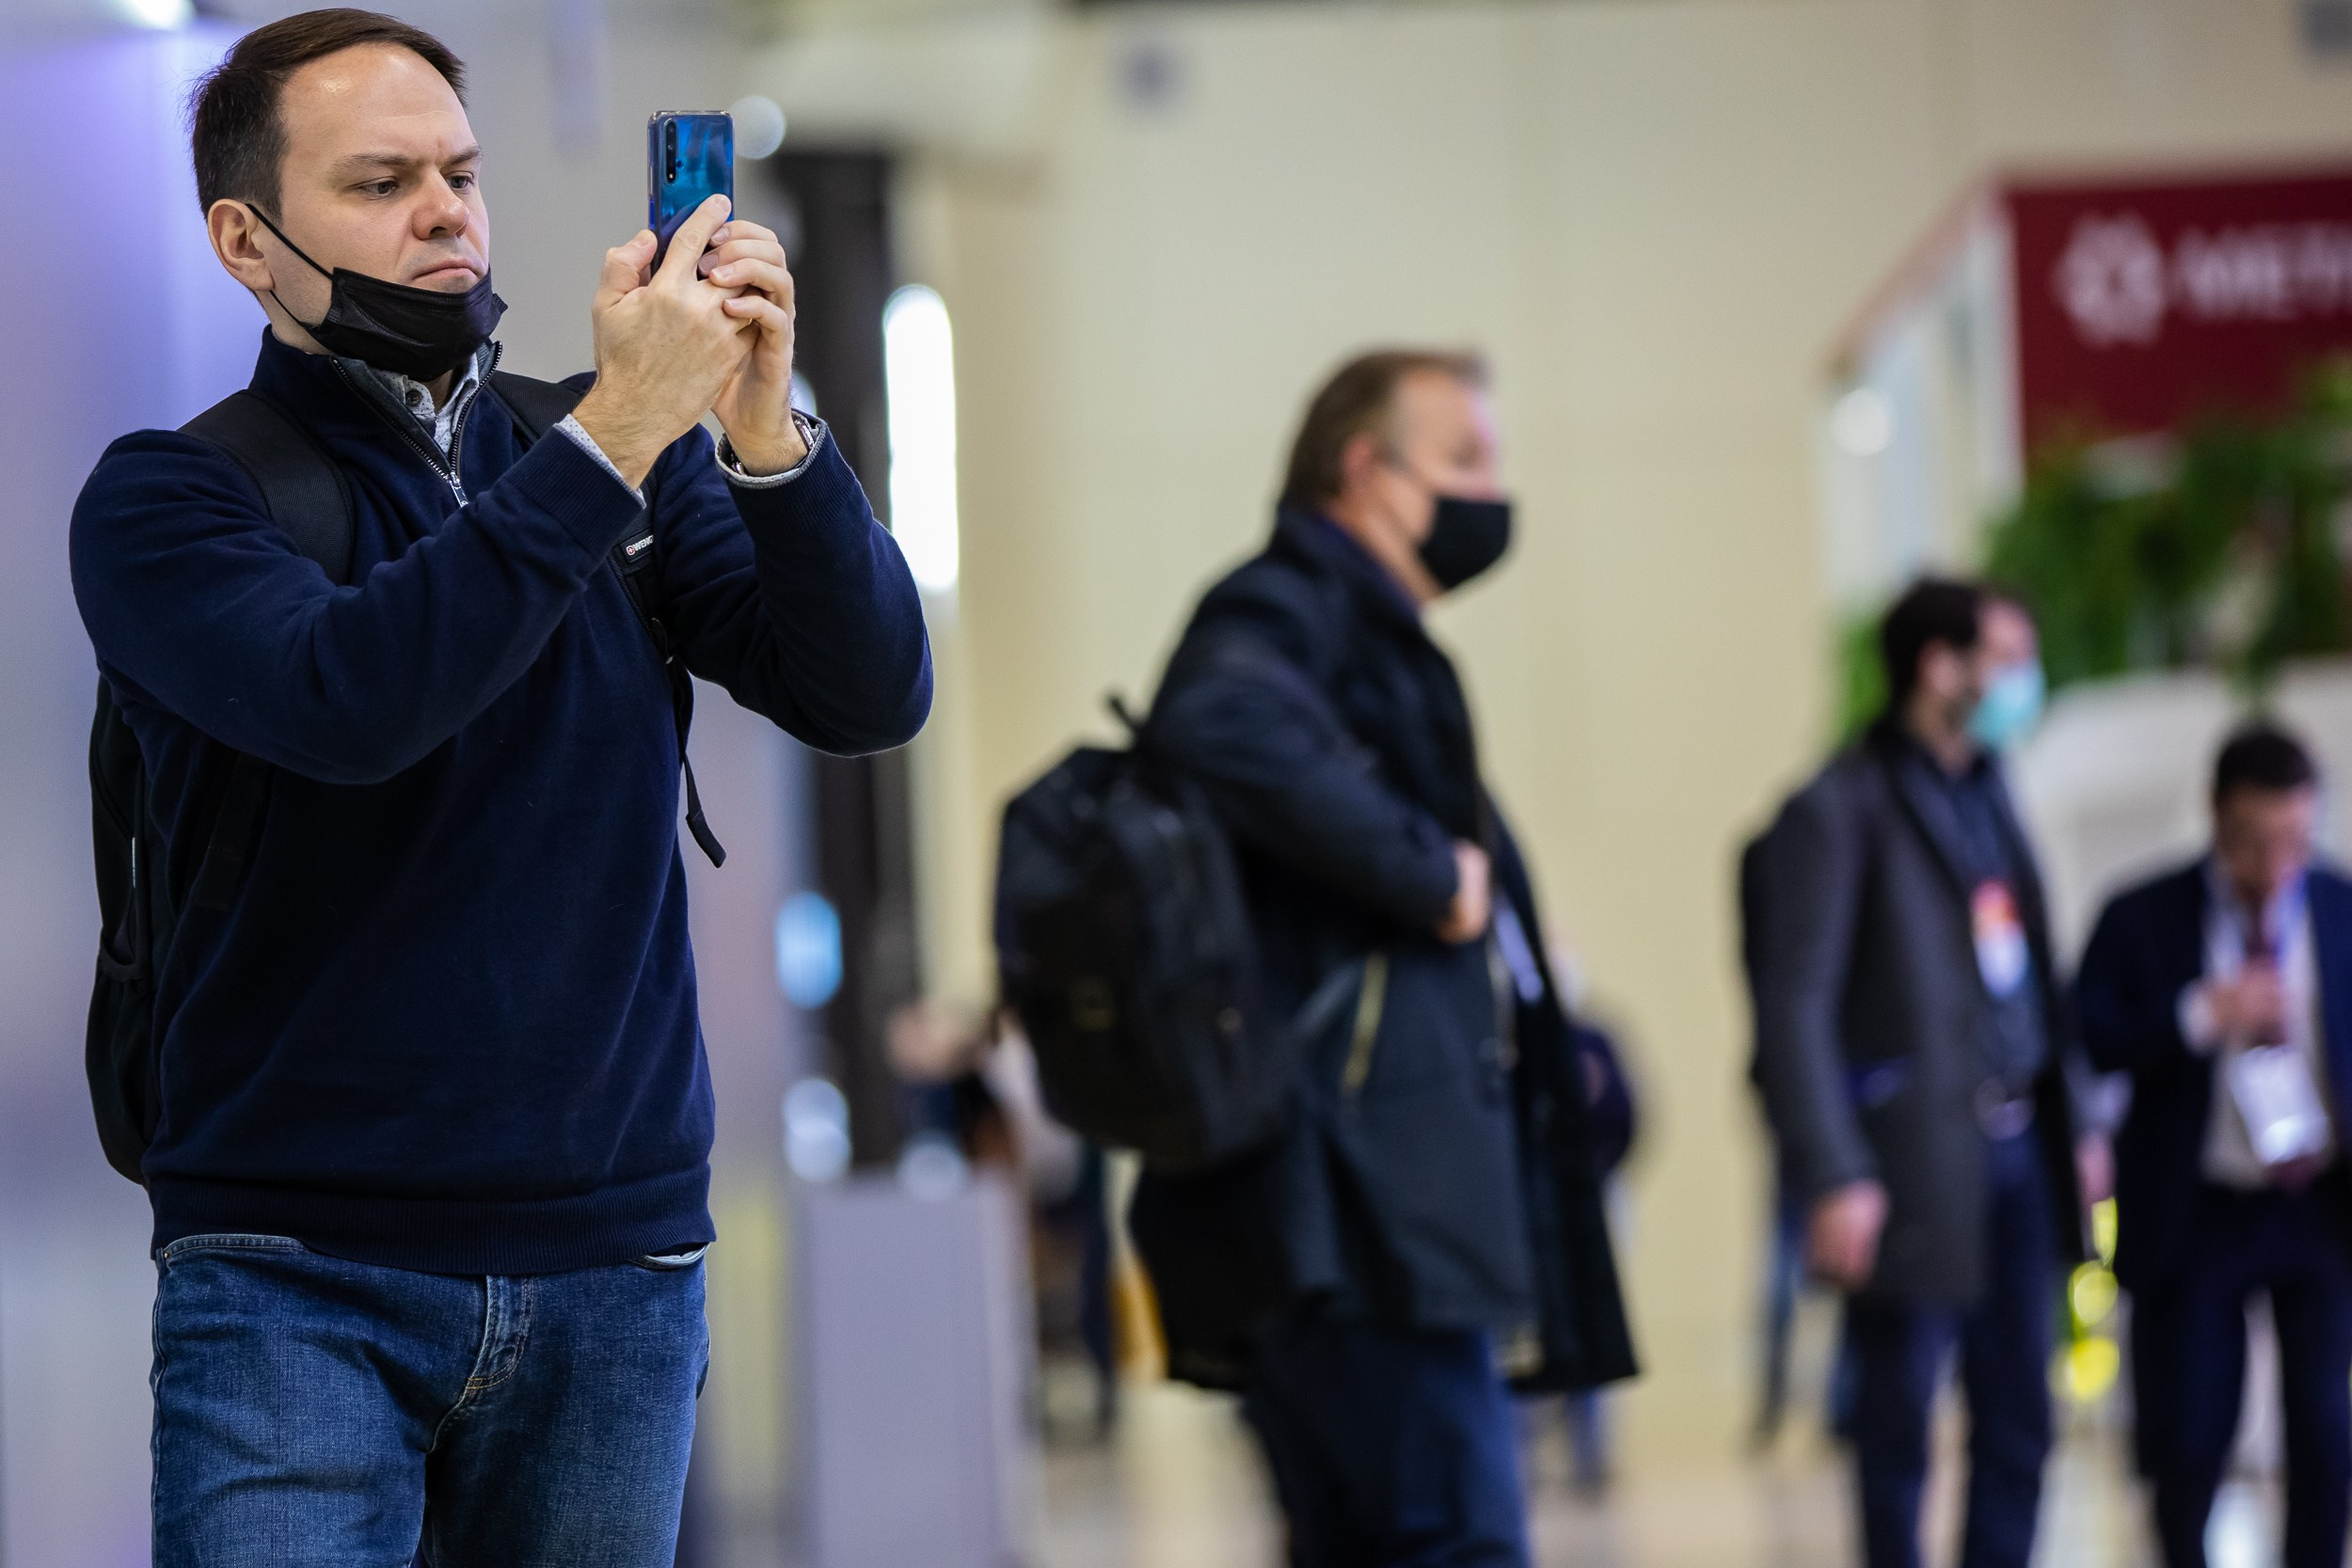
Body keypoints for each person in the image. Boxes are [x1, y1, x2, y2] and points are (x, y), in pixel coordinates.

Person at [68, 11, 930, 1564]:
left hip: (618, 1256)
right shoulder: (173, 497)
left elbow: (865, 694)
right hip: (299, 1273)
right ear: (246, 241)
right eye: (383, 180)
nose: (449, 212)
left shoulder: (615, 455)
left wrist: (754, 425)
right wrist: (616, 427)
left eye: (461, 172)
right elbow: (356, 697)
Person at [1127, 349, 1635, 1567]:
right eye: (1463, 460)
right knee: (1460, 1537)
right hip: (1362, 1210)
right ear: (1365, 470)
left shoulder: (1358, 624)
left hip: (1368, 1201)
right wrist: (1430, 869)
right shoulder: (1287, 603)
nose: (1489, 492)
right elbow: (1216, 719)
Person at [1748, 578, 2098, 1568]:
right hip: (1906, 1159)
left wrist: (2081, 1125)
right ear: (1939, 665)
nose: (2020, 678)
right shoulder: (1839, 803)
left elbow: (2033, 968)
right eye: (2006, 654)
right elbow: (1795, 1001)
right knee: (1898, 1420)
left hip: (2020, 1144)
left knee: (2019, 1414)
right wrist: (1832, 1168)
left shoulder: (1989, 786)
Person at [2076, 723, 2352, 1568]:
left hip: (2317, 1206)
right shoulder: (2142, 913)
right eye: (2257, 840)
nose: (2277, 863)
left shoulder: (2340, 905)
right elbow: (2091, 1032)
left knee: (2323, 1426)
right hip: (2196, 1207)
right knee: (2190, 1430)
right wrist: (2201, 1014)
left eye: (2294, 839)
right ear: (2217, 817)